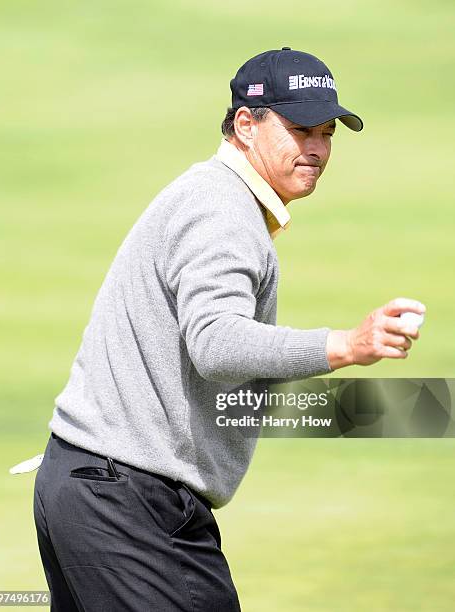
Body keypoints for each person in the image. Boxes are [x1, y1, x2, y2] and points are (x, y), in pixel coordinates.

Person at [33, 48, 425, 611]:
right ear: (246, 124)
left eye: (326, 132)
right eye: (299, 130)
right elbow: (216, 343)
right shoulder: (222, 208)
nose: (317, 149)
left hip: (94, 487)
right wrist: (346, 345)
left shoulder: (213, 195)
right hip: (126, 501)